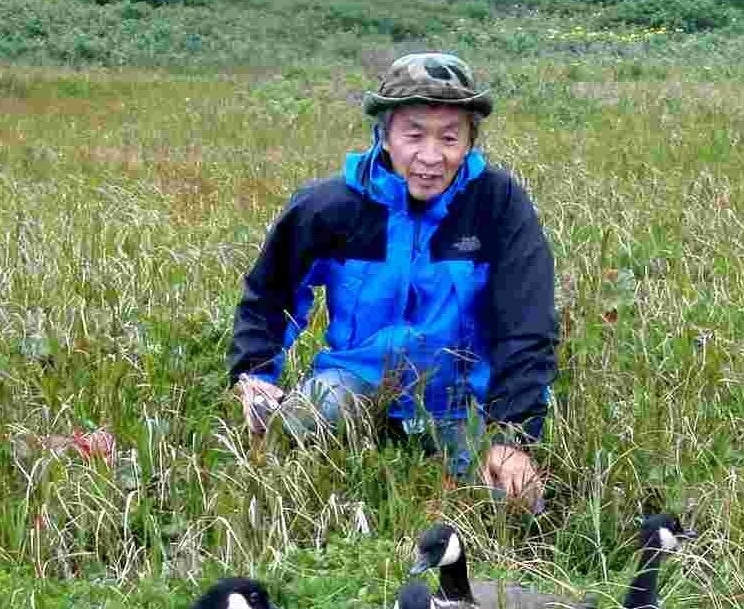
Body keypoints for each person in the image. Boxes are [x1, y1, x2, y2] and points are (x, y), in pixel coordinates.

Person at [228, 52, 557, 510]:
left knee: (513, 503)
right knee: (296, 433)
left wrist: (513, 435)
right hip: (354, 375)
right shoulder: (330, 206)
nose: (430, 156)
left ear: (470, 142)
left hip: (459, 396)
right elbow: (271, 294)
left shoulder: (497, 206)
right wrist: (255, 374)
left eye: (449, 138)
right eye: (414, 134)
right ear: (384, 135)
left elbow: (526, 325)